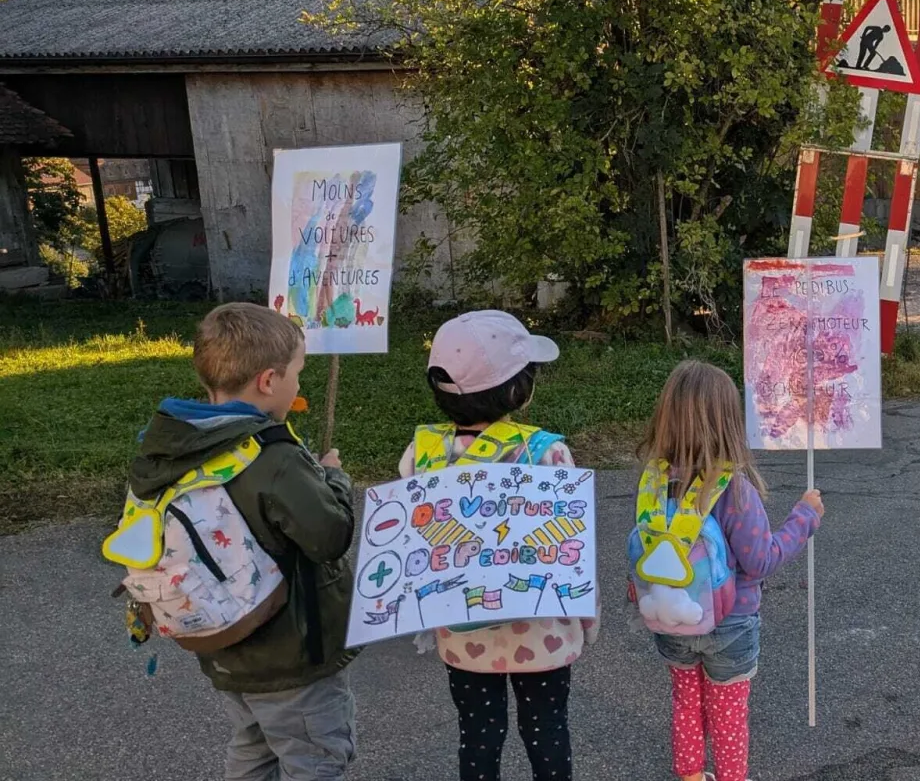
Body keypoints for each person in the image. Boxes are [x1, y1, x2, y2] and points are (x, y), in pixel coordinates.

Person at [129, 302, 359, 780]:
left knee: (254, 749)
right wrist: (334, 479)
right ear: (269, 381)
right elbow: (328, 536)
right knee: (314, 758)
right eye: (297, 371)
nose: (299, 383)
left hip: (222, 644)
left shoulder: (174, 446)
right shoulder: (270, 456)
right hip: (291, 654)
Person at [397, 310, 597, 781]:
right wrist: (587, 621)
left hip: (463, 631)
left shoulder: (422, 454)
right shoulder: (548, 454)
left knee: (479, 732)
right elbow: (574, 553)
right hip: (542, 627)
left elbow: (414, 548)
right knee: (547, 727)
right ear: (517, 391)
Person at [637, 361, 822, 781]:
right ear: (729, 422)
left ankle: (689, 775)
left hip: (669, 615)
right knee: (728, 714)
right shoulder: (734, 490)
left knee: (685, 703)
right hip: (732, 623)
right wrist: (804, 518)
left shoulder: (654, 483)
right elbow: (760, 561)